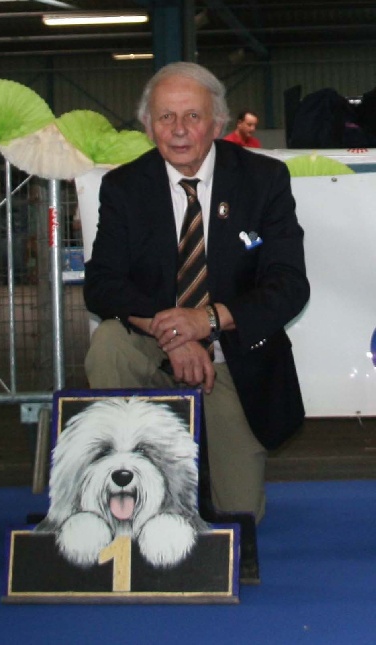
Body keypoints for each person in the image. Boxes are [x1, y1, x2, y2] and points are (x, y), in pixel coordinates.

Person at [83, 62, 309, 523]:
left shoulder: (264, 180)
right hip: (153, 348)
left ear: (217, 123)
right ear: (148, 126)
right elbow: (102, 283)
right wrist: (174, 332)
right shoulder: (123, 187)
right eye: (166, 117)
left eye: (192, 116)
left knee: (237, 520)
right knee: (108, 342)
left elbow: (289, 285)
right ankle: (129, 467)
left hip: (232, 357)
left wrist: (205, 320)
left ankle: (205, 481)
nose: (179, 130)